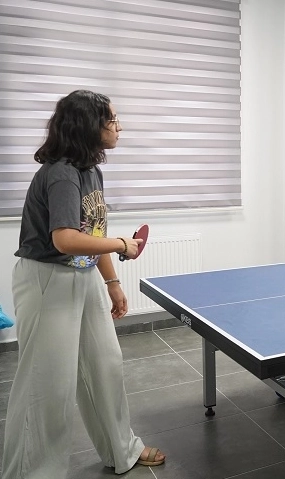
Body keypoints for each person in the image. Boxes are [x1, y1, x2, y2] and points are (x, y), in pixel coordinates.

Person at [1, 90, 166, 478]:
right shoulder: (61, 173)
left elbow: (92, 232)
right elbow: (65, 239)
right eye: (112, 120)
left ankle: (121, 450)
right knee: (47, 384)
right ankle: (30, 473)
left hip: (82, 275)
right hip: (47, 280)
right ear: (91, 126)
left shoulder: (91, 170)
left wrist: (112, 282)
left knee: (105, 365)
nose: (119, 127)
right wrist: (122, 245)